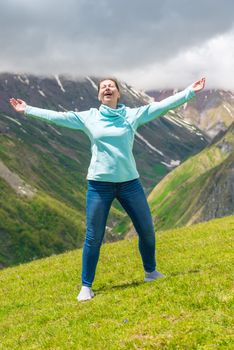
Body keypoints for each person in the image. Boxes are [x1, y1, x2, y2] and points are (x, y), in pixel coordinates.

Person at [9, 76, 206, 302]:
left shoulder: (131, 116)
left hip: (130, 184)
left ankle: (150, 272)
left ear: (118, 94)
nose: (107, 88)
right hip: (99, 186)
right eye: (103, 87)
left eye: (111, 86)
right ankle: (86, 286)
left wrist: (190, 91)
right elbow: (59, 118)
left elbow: (161, 106)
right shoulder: (89, 118)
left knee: (147, 231)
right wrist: (27, 109)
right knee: (93, 237)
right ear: (99, 95)